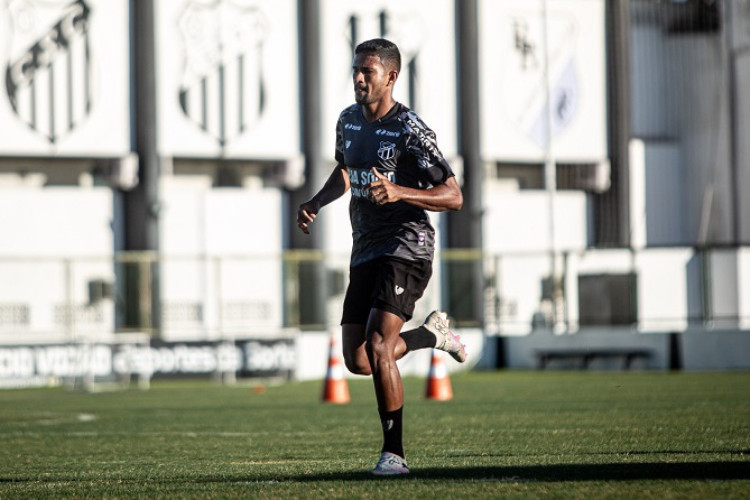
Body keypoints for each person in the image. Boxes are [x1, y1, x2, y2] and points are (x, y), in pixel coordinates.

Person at [296, 38, 466, 476]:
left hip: (408, 246)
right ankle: (432, 337)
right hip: (366, 246)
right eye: (355, 70)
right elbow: (345, 171)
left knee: (378, 343)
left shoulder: (410, 129)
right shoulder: (348, 121)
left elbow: (453, 195)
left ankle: (395, 455)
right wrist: (316, 201)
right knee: (359, 359)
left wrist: (399, 191)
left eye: (366, 72)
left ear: (390, 77)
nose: (357, 78)